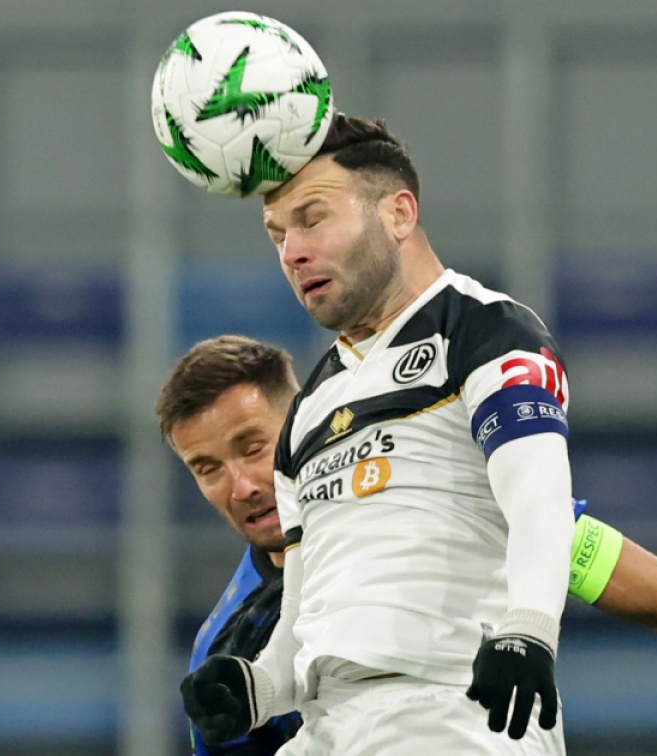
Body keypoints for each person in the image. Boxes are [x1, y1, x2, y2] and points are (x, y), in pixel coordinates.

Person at [159, 335, 657, 756]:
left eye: (253, 446)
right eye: (206, 468)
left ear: (305, 425)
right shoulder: (226, 653)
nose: (242, 484)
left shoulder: (457, 506)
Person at [179, 114, 578, 756]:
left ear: (399, 213)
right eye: (278, 235)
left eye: (312, 219)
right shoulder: (308, 410)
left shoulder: (486, 332)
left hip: (450, 712)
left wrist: (529, 631)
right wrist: (254, 690)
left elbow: (539, 497)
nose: (292, 252)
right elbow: (302, 618)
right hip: (329, 728)